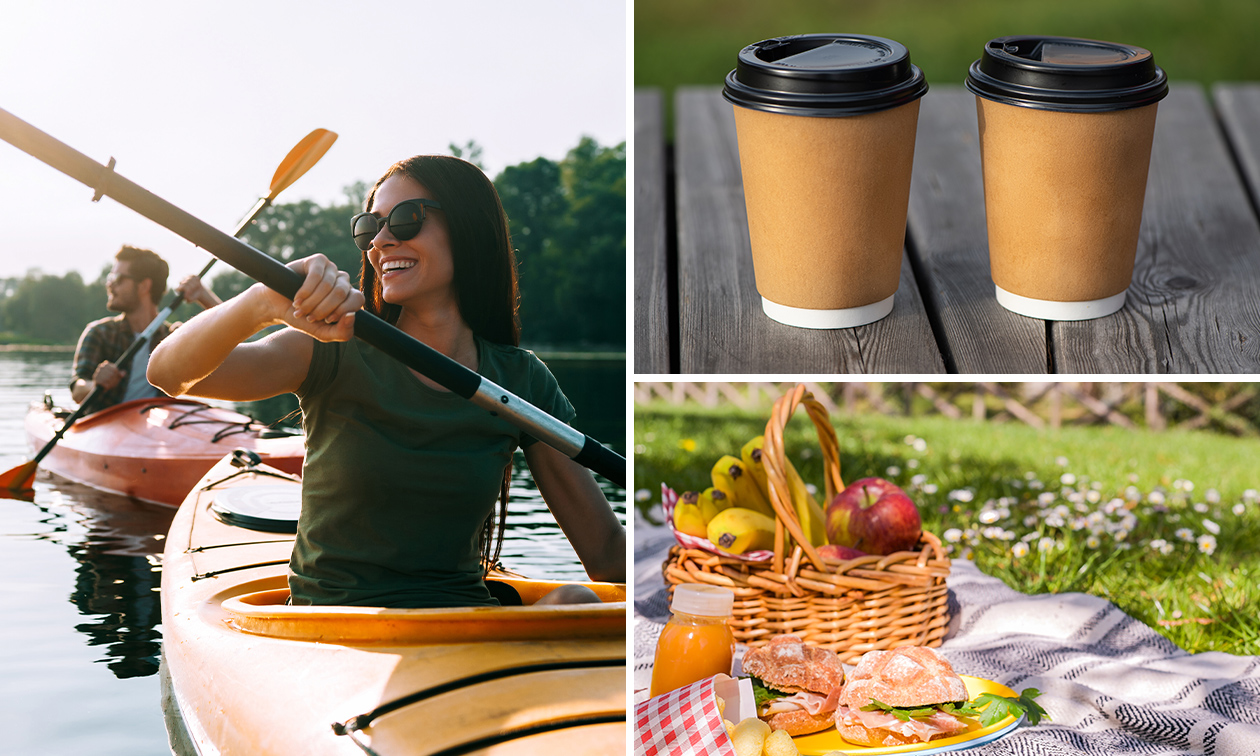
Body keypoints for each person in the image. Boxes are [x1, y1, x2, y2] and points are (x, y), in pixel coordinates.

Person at [148, 155, 625, 608]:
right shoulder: (331, 345)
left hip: (465, 625)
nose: (380, 241)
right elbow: (167, 373)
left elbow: (605, 553)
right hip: (335, 625)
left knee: (576, 600)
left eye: (405, 219)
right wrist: (261, 304)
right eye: (370, 227)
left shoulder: (520, 380)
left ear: (469, 228)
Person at [70, 245, 221, 413]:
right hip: (105, 422)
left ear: (144, 286)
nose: (110, 285)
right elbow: (77, 390)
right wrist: (95, 384)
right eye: (110, 277)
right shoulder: (99, 333)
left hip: (158, 424)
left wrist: (203, 295)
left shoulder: (174, 338)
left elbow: (231, 336)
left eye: (118, 278)